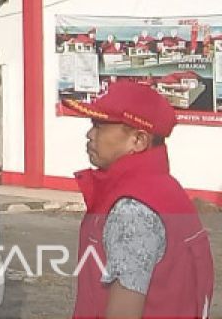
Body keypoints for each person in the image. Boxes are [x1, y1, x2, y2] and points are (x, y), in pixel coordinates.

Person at [64, 80, 214, 319]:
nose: (89, 134)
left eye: (100, 125)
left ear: (138, 140)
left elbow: (123, 312)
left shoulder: (132, 210)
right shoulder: (166, 190)